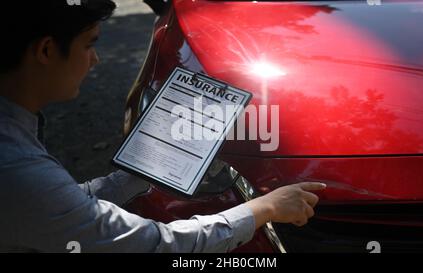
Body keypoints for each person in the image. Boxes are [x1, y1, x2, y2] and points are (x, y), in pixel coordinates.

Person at [0, 0, 326, 253]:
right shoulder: (18, 169)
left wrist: (152, 166)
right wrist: (264, 208)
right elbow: (155, 245)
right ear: (45, 50)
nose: (95, 59)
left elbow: (66, 205)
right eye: (89, 44)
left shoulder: (16, 143)